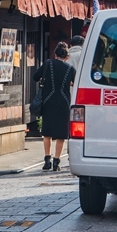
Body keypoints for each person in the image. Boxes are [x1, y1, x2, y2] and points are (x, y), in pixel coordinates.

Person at [33, 42, 76, 171]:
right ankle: (57, 161)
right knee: (61, 134)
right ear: (67, 57)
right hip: (63, 102)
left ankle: (47, 160)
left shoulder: (48, 64)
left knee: (47, 132)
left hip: (48, 101)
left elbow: (35, 77)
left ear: (55, 54)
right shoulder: (70, 68)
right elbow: (74, 82)